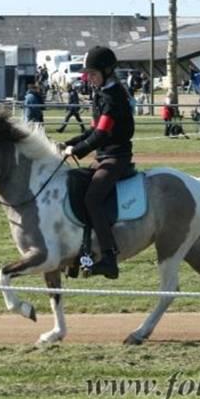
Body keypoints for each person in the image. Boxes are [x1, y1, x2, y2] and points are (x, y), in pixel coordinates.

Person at [63, 46, 135, 280]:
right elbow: (93, 130)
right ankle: (81, 249)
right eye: (88, 74)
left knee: (92, 198)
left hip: (116, 158)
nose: (88, 78)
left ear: (106, 72)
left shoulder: (113, 97)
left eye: (92, 74)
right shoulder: (103, 93)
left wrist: (78, 150)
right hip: (104, 157)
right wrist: (67, 143)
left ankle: (109, 257)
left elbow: (101, 134)